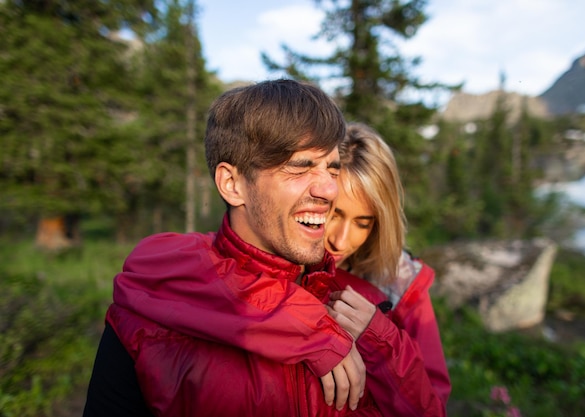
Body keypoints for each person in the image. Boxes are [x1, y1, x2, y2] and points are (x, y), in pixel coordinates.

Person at [83, 79, 367, 417]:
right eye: (299, 167)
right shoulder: (145, 318)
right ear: (232, 185)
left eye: (332, 169)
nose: (329, 190)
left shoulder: (355, 307)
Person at [324, 122, 451, 415]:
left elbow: (430, 407)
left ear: (380, 223)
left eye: (362, 222)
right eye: (334, 212)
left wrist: (378, 339)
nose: (340, 239)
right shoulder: (280, 263)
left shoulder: (404, 287)